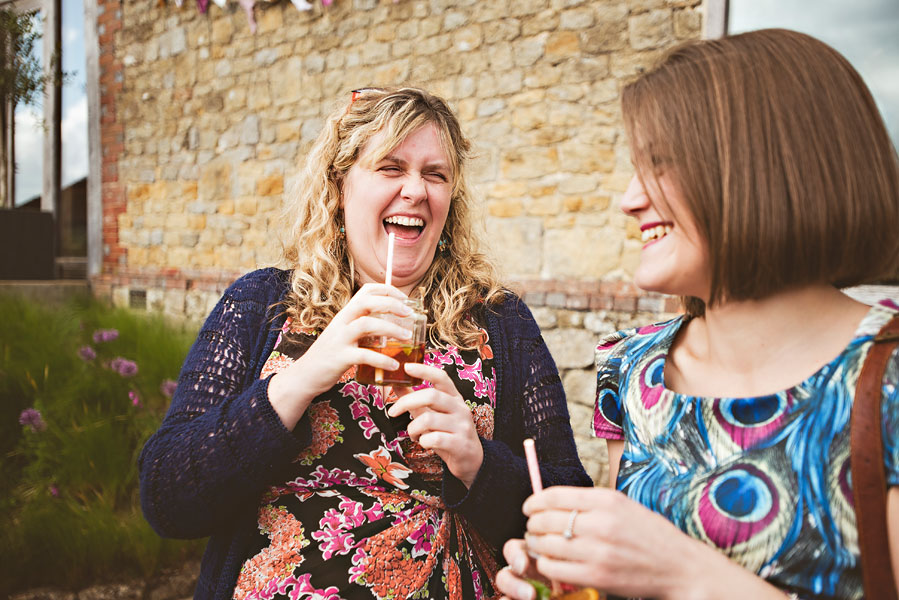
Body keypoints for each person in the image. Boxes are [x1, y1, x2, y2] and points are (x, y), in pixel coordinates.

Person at [139, 86, 591, 600]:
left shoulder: (499, 321)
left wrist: (477, 461)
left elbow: (573, 509)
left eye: (435, 174)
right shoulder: (260, 303)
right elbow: (166, 497)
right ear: (340, 187)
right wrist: (297, 382)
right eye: (391, 168)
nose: (416, 190)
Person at [495, 28, 899, 600]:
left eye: (661, 165)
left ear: (768, 168)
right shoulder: (631, 367)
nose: (629, 200)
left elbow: (662, 571)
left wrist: (683, 574)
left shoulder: (889, 382)